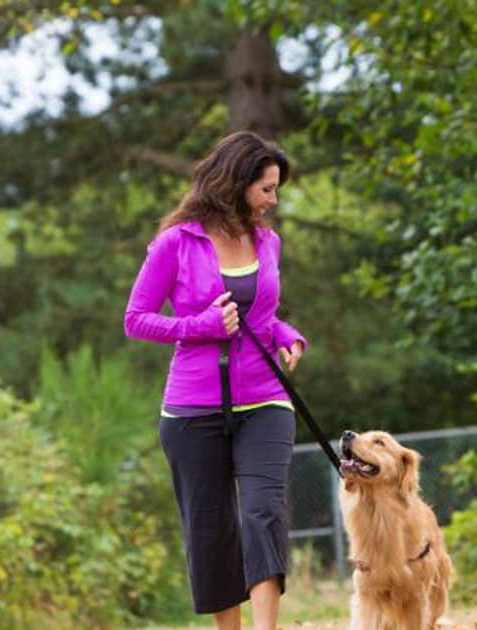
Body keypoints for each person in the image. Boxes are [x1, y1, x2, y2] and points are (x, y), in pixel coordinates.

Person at [123, 131, 306, 630]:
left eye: (275, 190)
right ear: (236, 182)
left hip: (265, 400)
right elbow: (136, 318)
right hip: (192, 410)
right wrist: (198, 327)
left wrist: (289, 335)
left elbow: (262, 314)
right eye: (266, 188)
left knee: (263, 513)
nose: (273, 200)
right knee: (212, 529)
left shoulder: (268, 241)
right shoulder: (175, 244)